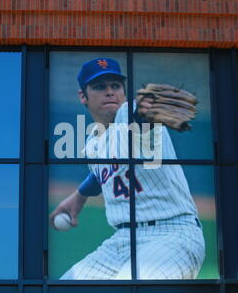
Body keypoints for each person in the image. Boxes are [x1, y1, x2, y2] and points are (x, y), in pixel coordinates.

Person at [50, 57, 205, 280]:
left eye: (116, 85)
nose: (110, 92)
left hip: (172, 235)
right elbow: (102, 174)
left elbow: (139, 121)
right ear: (83, 96)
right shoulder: (94, 144)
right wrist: (79, 196)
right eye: (99, 86)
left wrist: (145, 112)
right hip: (122, 240)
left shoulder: (128, 114)